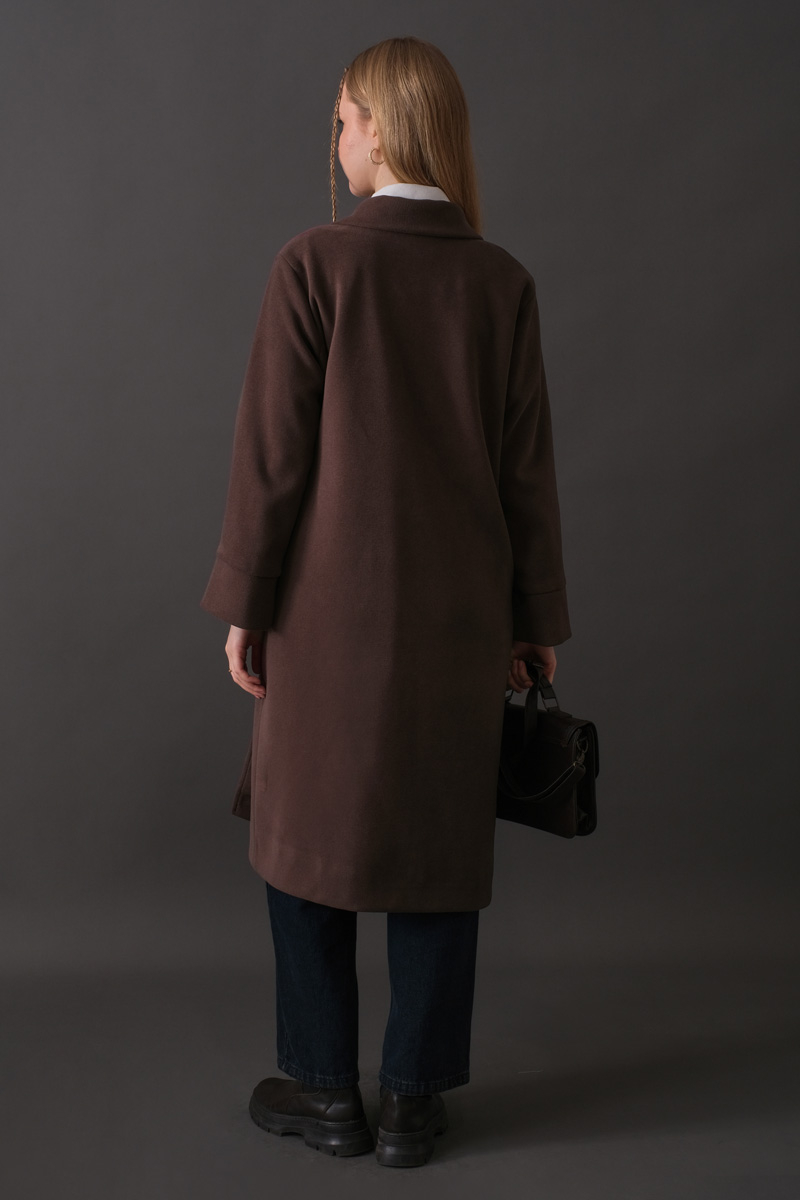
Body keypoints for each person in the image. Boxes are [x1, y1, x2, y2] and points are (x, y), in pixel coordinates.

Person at [199, 36, 572, 1168]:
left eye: (343, 120)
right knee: (436, 847)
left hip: (323, 622)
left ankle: (325, 1092)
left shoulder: (314, 265)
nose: (337, 141)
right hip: (457, 624)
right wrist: (531, 623)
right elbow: (524, 474)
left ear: (380, 125)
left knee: (302, 842)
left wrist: (245, 602)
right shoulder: (500, 283)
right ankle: (413, 1100)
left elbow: (272, 462)